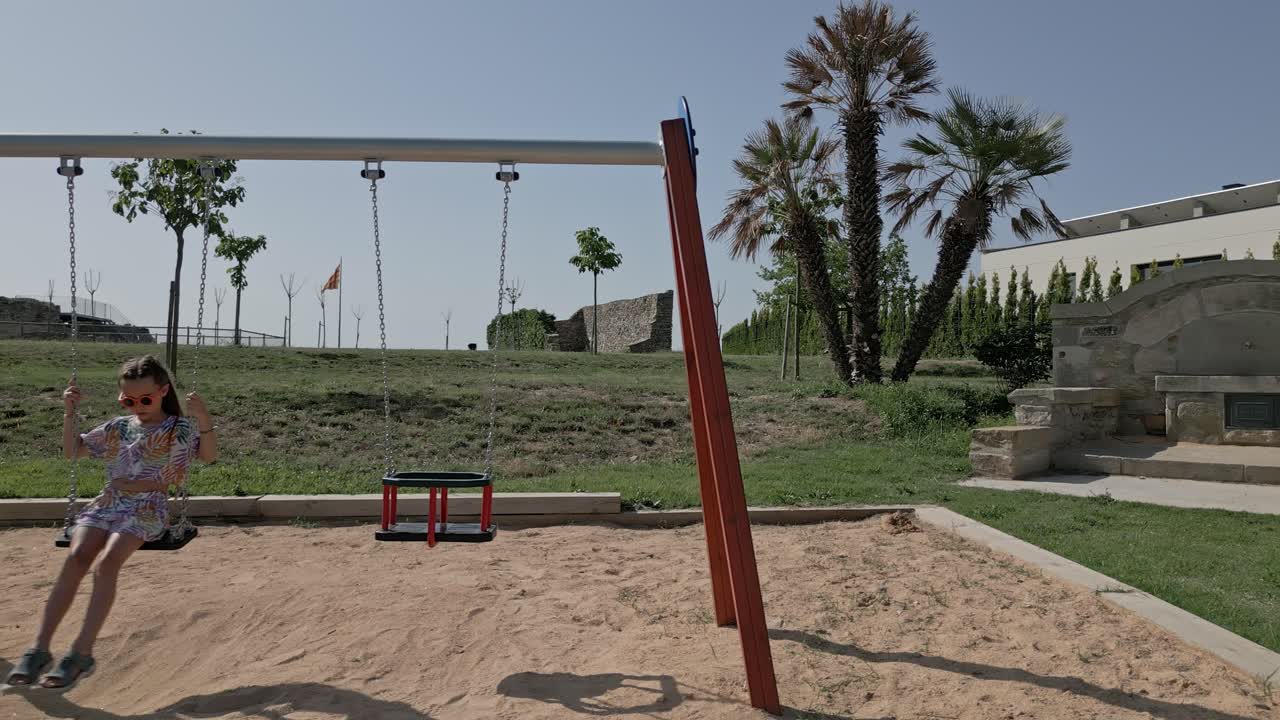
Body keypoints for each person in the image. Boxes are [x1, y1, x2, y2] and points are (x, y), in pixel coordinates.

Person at [4, 355, 217, 690]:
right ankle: (39, 649)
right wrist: (69, 412)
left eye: (144, 399)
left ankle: (81, 652)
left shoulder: (178, 427)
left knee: (106, 564)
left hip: (147, 506)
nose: (137, 407)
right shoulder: (119, 427)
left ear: (162, 391)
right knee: (76, 557)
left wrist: (203, 417)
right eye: (128, 400)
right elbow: (73, 451)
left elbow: (208, 456)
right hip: (108, 502)